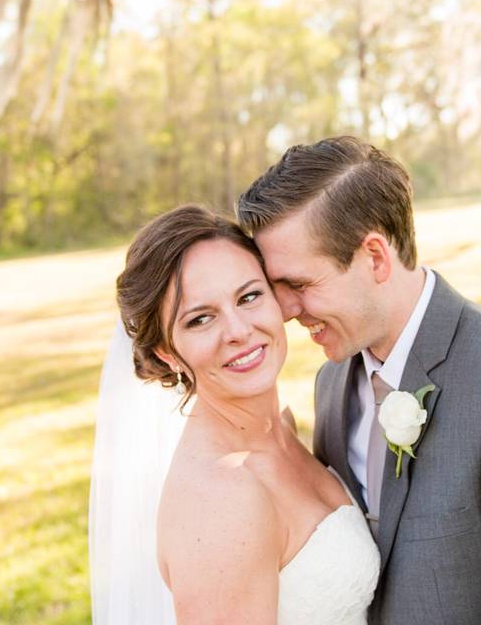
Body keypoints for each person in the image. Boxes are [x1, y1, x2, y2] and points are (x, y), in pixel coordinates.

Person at [237, 135, 481, 624]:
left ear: (375, 257)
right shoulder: (332, 382)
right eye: (276, 288)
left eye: (300, 284)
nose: (287, 310)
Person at [89, 205, 379, 625]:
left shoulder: (280, 426)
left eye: (249, 296)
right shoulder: (221, 499)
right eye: (201, 319)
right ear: (168, 353)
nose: (239, 331)